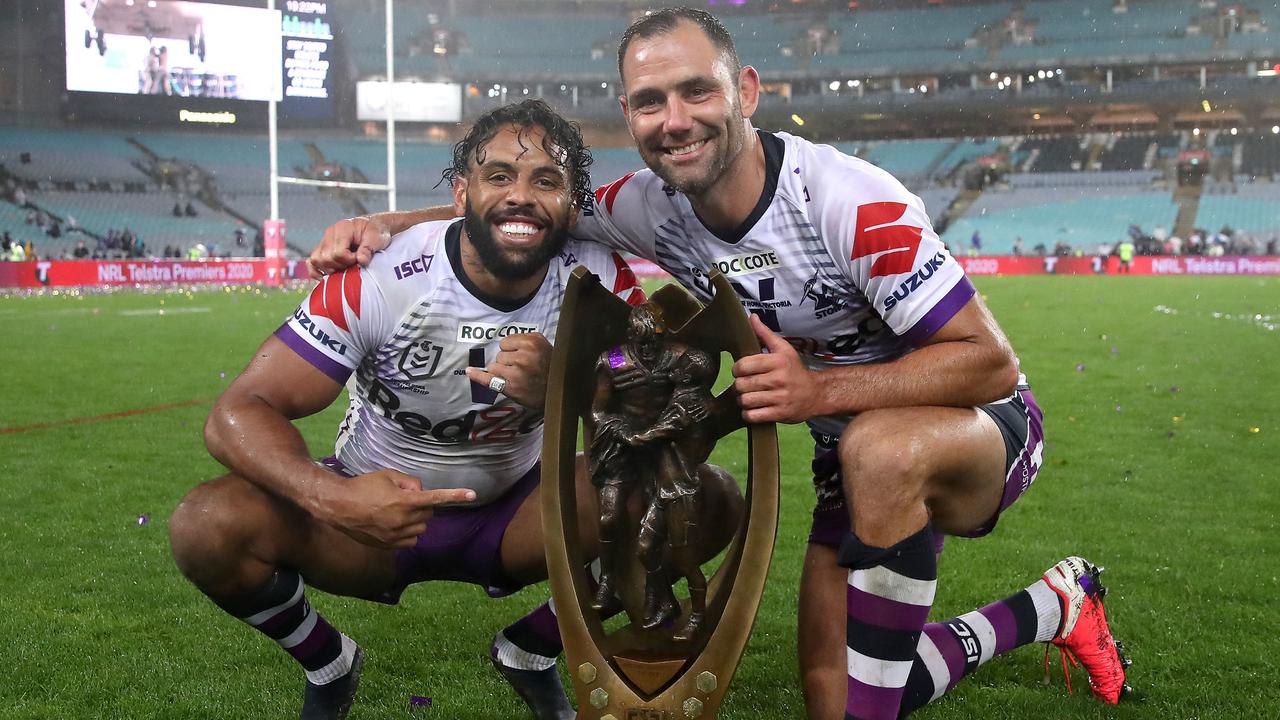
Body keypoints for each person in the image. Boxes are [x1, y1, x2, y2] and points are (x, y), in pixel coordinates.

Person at [307, 8, 1130, 720]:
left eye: (696, 90)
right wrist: (383, 222)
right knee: (841, 690)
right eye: (649, 102)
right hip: (850, 453)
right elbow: (527, 209)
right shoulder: (650, 204)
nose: (675, 119)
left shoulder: (851, 201)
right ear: (628, 116)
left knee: (881, 449)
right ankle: (1051, 606)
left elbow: (988, 362)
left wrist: (821, 390)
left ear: (746, 91)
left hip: (971, 429)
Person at [169, 100, 743, 720]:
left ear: (572, 205)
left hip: (521, 509)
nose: (521, 196)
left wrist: (572, 378)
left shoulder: (598, 275)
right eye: (499, 176)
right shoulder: (381, 275)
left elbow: (639, 384)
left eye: (546, 181)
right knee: (208, 524)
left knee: (705, 499)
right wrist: (330, 497)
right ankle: (328, 660)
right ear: (463, 191)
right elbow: (240, 408)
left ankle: (530, 649)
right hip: (372, 511)